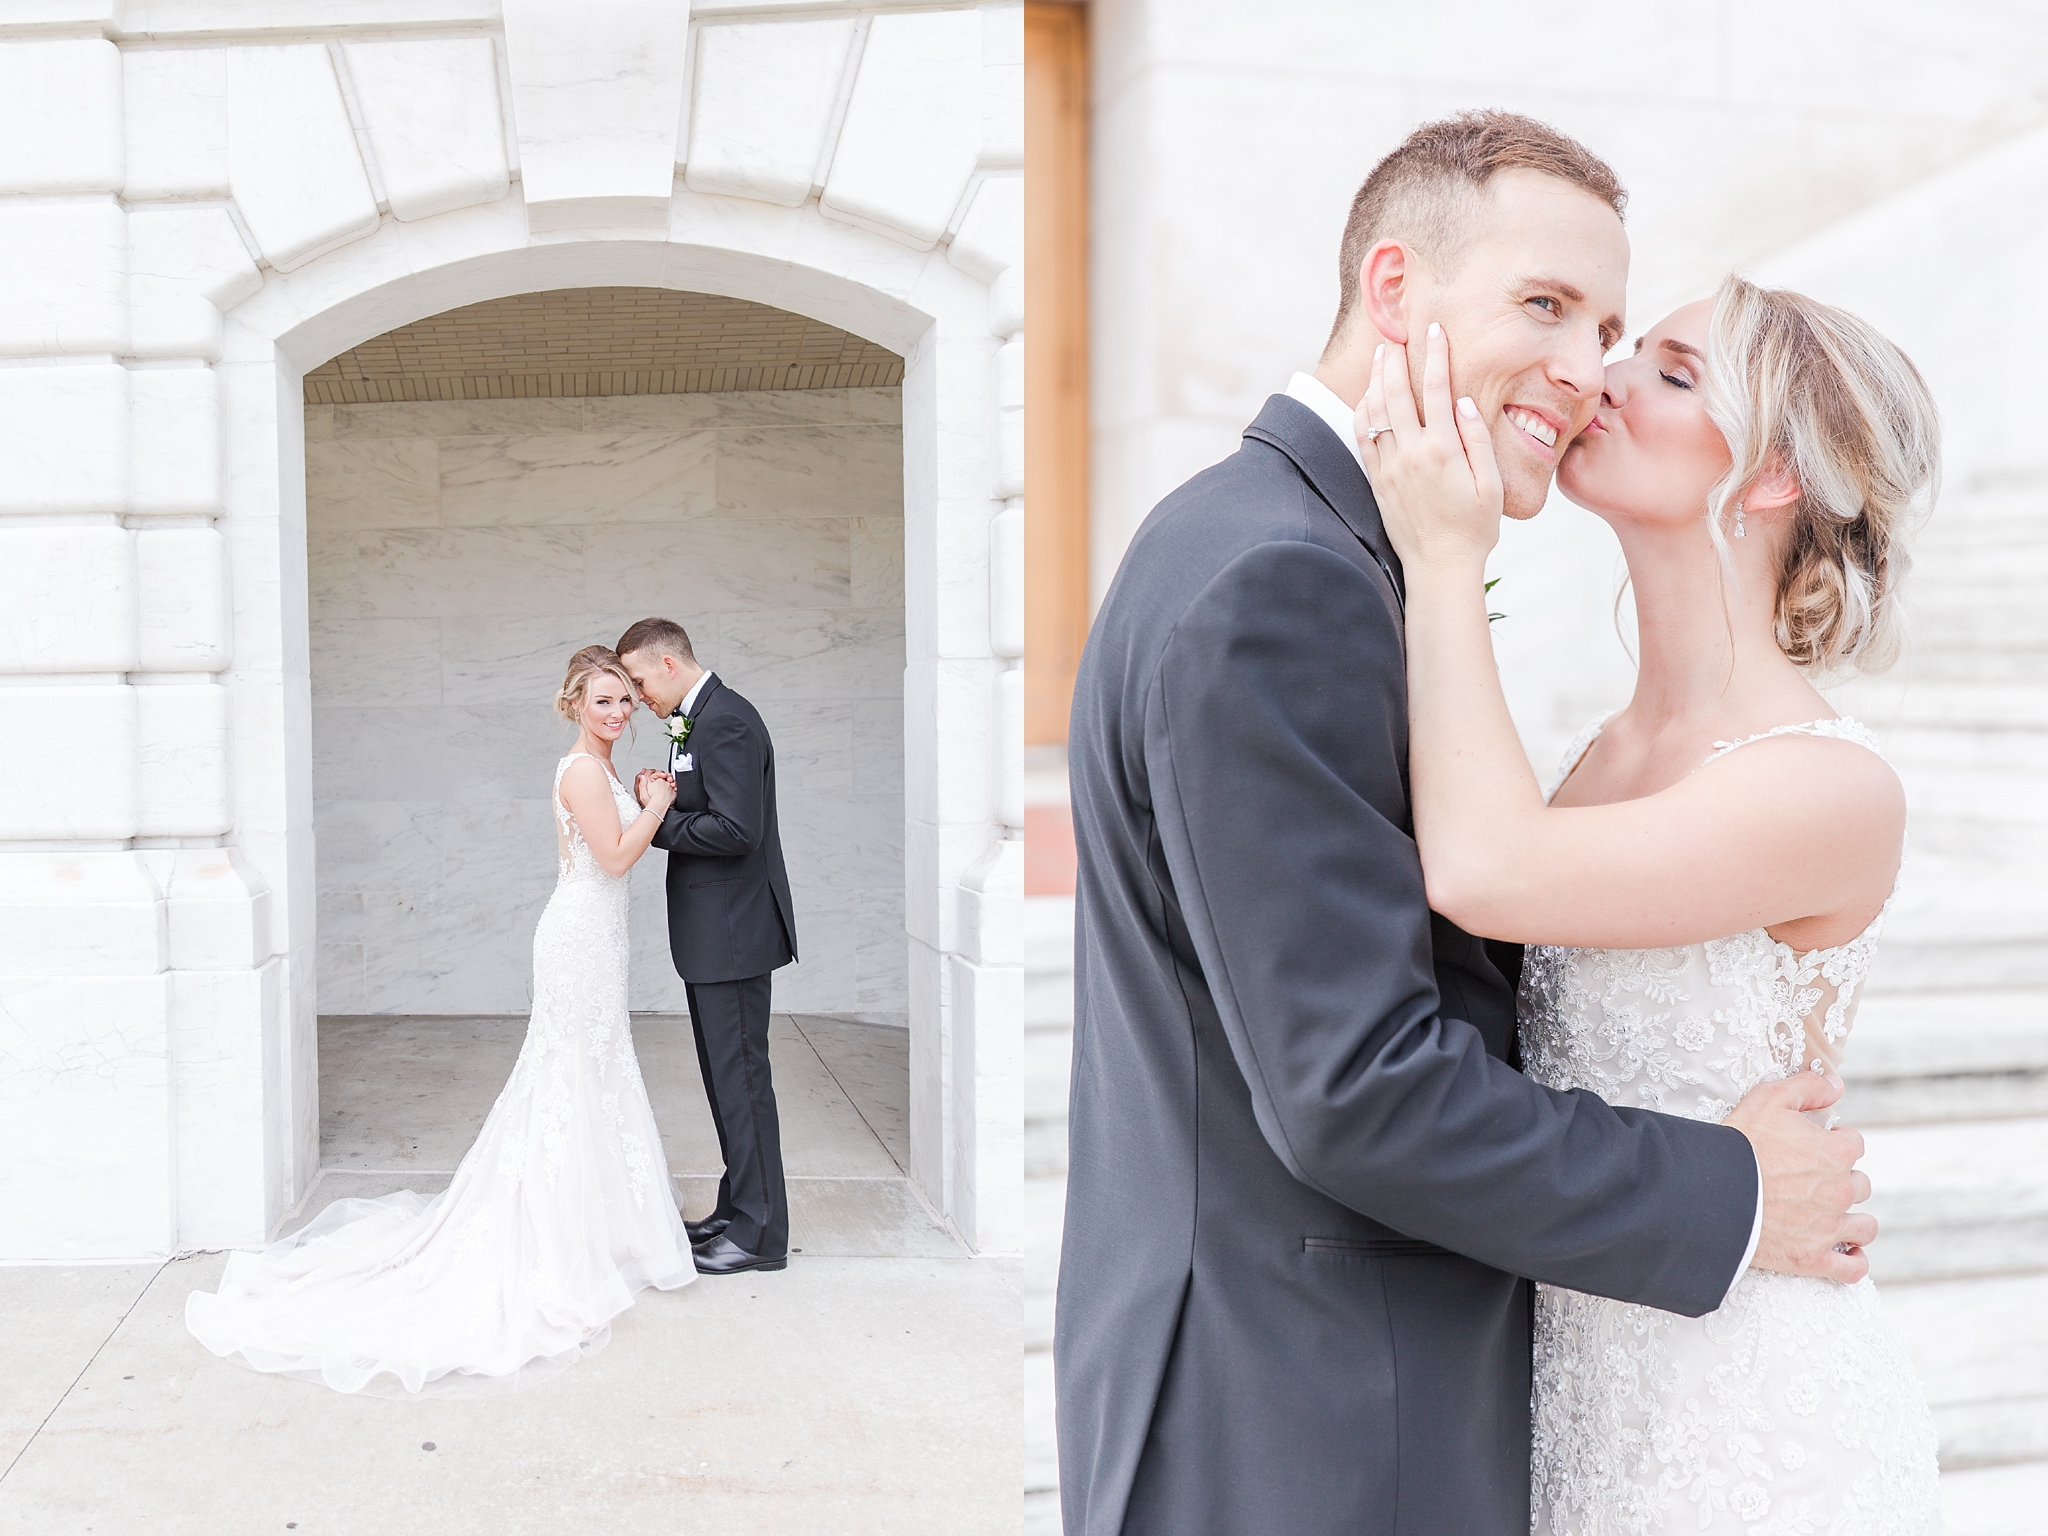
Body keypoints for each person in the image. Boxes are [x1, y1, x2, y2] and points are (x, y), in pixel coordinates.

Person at [1055, 112, 1875, 1535]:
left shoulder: (1285, 544)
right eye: (1545, 306)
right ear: (1394, 291)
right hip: (1303, 1418)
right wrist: (1730, 1191)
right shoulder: (1286, 582)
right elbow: (1360, 1085)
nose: (1587, 371)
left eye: (1615, 326)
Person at [1357, 276, 1941, 1531]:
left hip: (1746, 1409)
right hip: (1578, 1385)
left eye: (1668, 374)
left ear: (1773, 476)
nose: (1598, 380)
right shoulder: (1596, 753)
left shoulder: (1825, 786)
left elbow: (1481, 872)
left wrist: (1443, 552)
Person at [185, 647, 693, 1396]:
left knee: (594, 1068)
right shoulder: (583, 771)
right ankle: (562, 1237)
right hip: (578, 936)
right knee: (568, 1071)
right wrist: (657, 805)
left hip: (599, 937)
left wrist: (641, 796)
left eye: (624, 700)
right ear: (574, 705)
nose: (617, 713)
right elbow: (615, 859)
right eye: (603, 701)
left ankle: (600, 1225)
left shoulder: (603, 767)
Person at [615, 618, 798, 1278]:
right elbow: (712, 805)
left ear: (669, 664)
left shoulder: (726, 720)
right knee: (731, 1083)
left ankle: (761, 1235)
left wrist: (655, 819)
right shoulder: (700, 719)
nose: (636, 697)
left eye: (637, 681)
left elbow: (737, 829)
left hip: (734, 934)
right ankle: (741, 1207)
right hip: (715, 936)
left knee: (744, 1081)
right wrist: (664, 793)